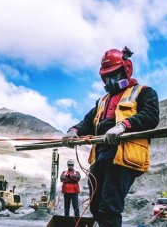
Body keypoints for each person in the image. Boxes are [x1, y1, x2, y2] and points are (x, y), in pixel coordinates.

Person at [62, 47, 159, 227]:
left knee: (109, 207)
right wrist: (73, 131)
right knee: (96, 206)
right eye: (106, 76)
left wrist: (123, 126)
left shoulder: (143, 92)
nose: (109, 80)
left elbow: (151, 116)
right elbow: (88, 121)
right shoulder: (102, 101)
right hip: (101, 156)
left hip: (123, 156)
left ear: (126, 69)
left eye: (113, 74)